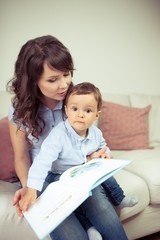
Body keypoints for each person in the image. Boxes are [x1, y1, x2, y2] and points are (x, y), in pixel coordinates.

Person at [18, 81, 129, 240]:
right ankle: (88, 227)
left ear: (97, 114)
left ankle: (118, 199)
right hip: (55, 174)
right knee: (68, 198)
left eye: (88, 110)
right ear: (66, 111)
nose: (80, 114)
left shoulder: (95, 132)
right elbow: (42, 161)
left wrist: (105, 155)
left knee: (94, 191)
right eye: (74, 109)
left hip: (80, 171)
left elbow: (103, 147)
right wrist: (31, 188)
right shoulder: (59, 134)